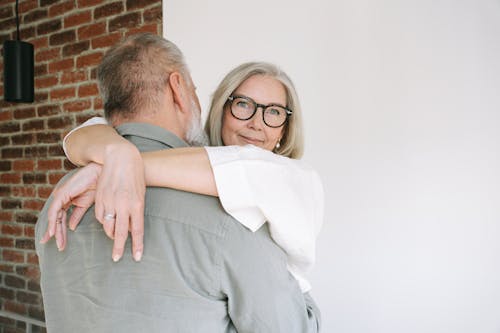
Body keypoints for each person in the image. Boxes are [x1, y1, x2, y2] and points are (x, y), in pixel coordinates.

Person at [35, 33, 320, 332]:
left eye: (274, 112)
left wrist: (115, 162)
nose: (256, 123)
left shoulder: (60, 202)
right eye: (243, 105)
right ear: (178, 89)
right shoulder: (236, 217)